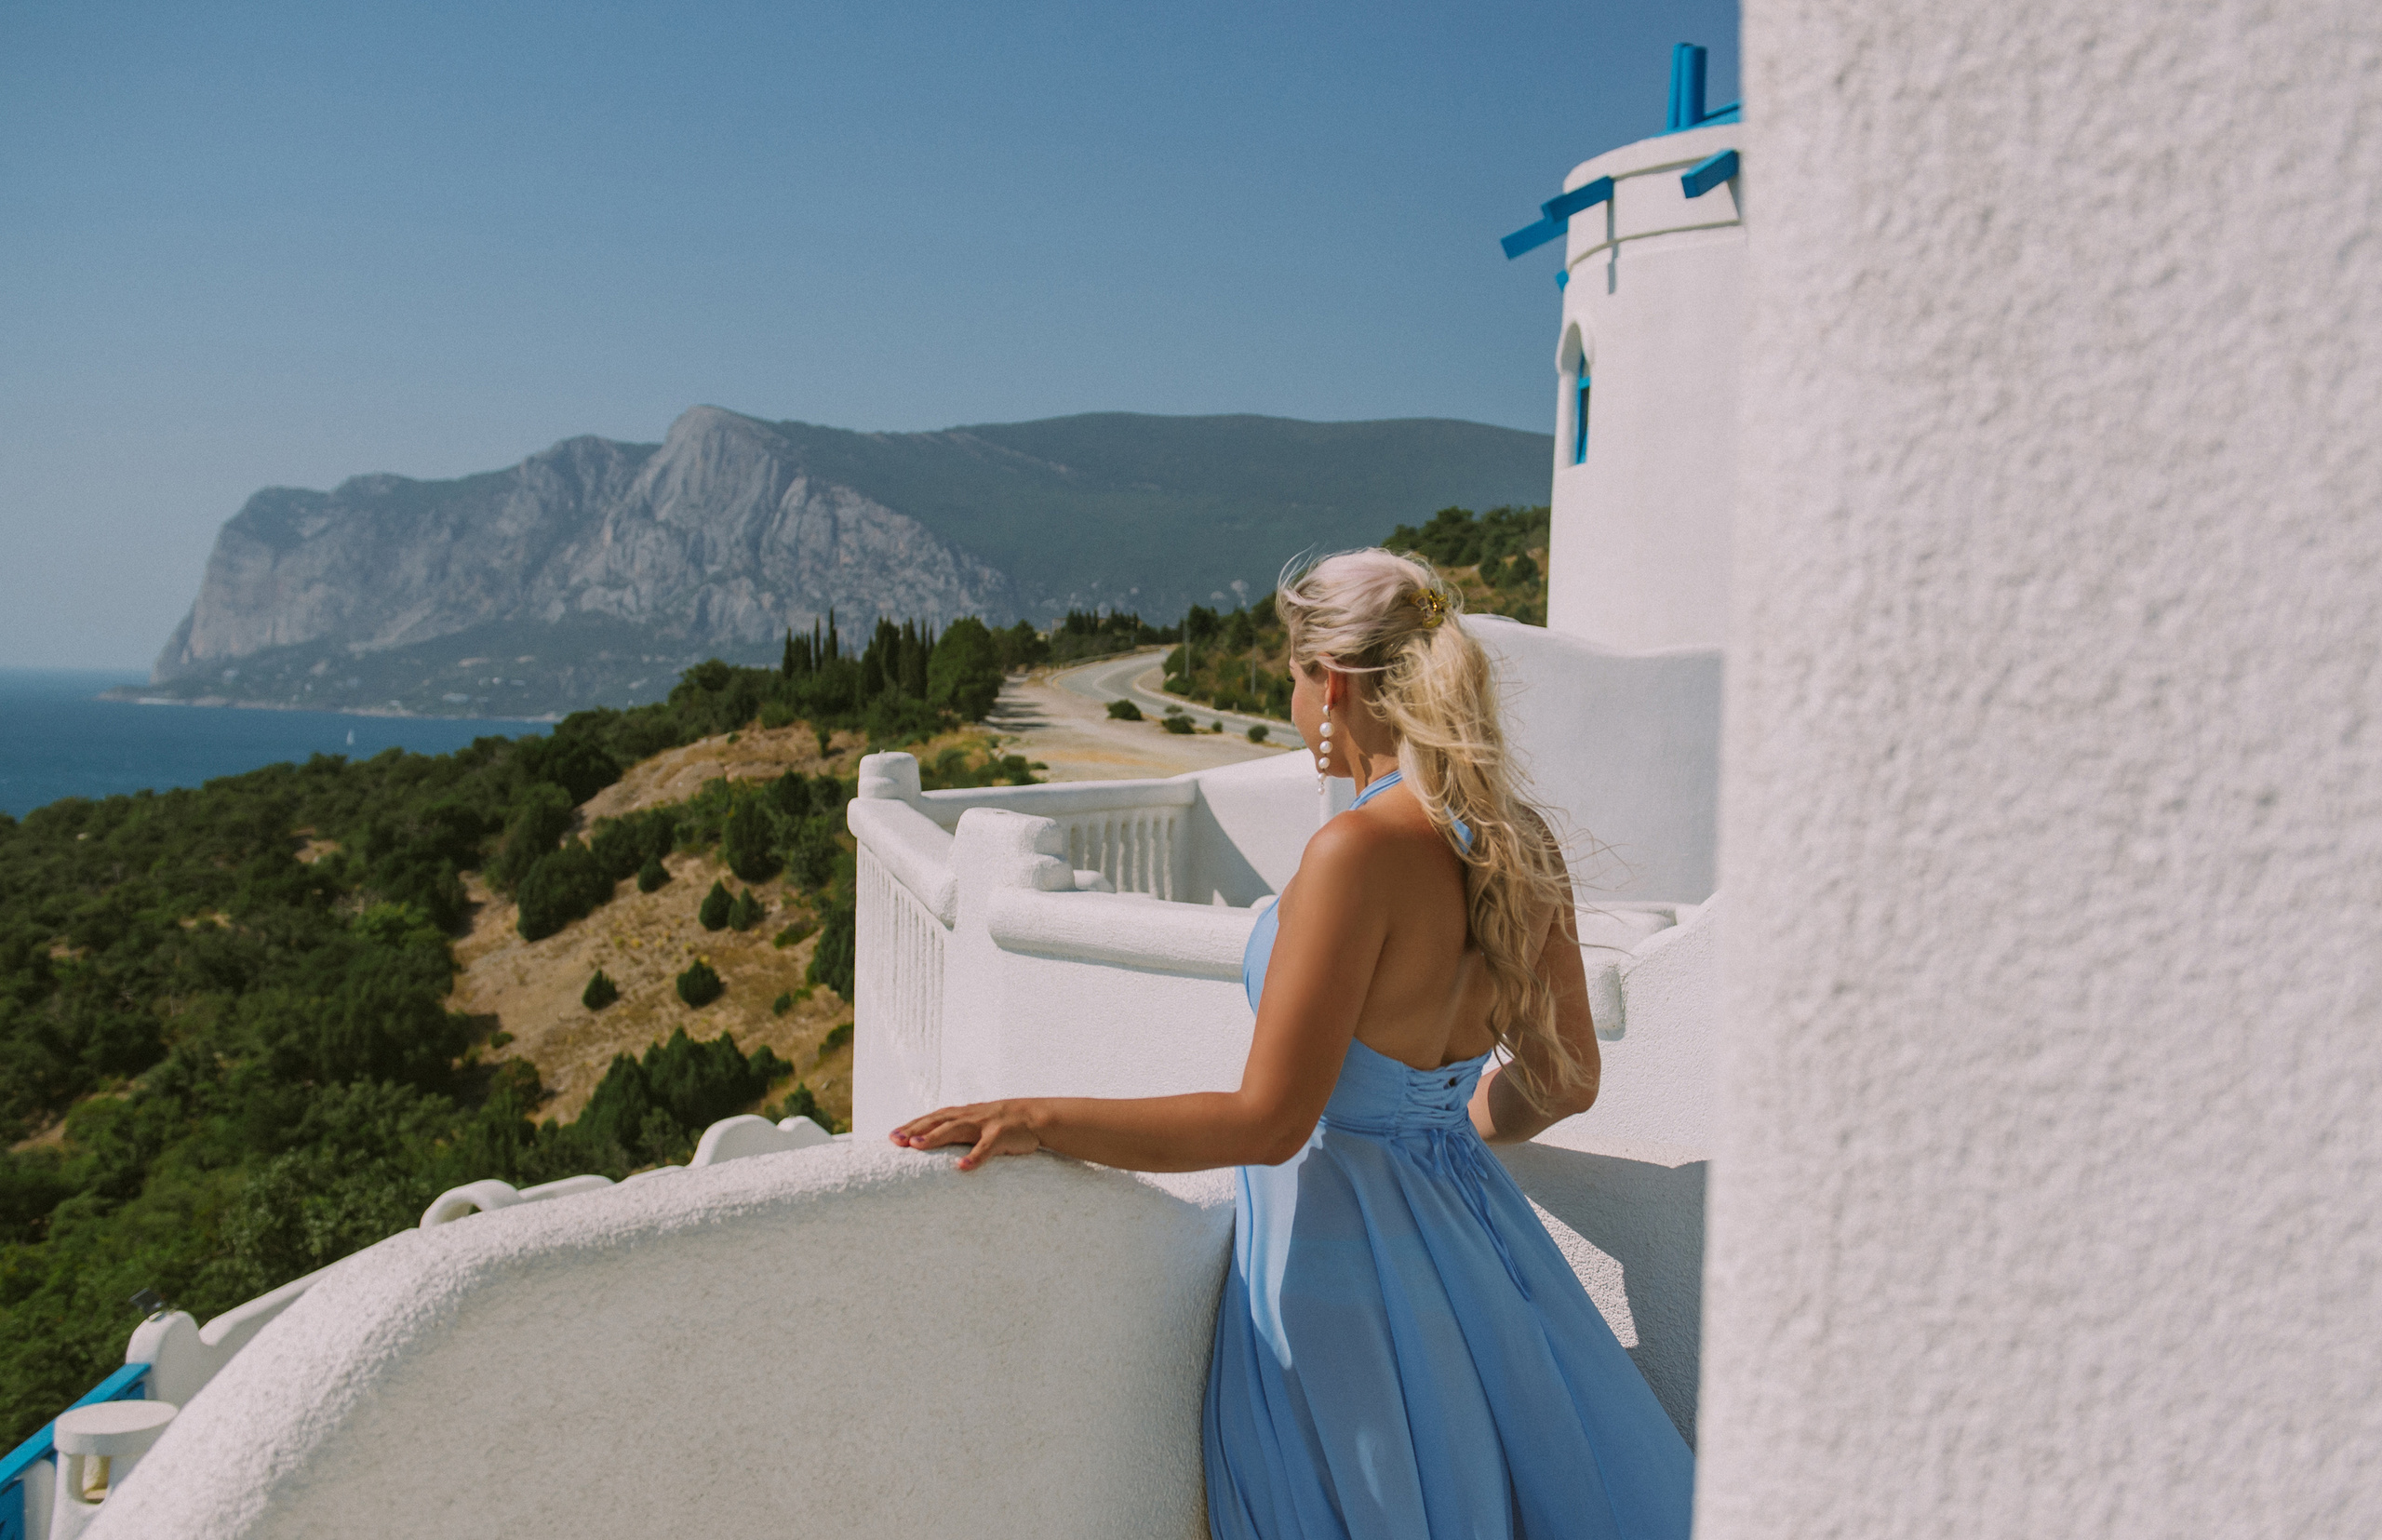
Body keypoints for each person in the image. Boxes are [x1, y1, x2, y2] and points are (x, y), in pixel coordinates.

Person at [892, 549, 1694, 1538]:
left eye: (1293, 668)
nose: (1287, 692)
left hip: (1339, 1268)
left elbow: (1269, 1121)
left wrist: (1037, 1115)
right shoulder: (1514, 836)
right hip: (1476, 1245)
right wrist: (1439, 1125)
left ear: (1340, 679)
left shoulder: (1352, 851)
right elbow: (1566, 1080)